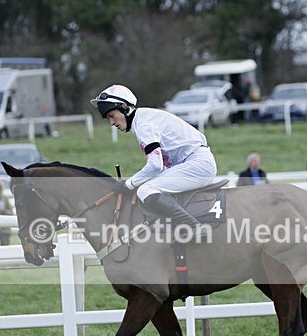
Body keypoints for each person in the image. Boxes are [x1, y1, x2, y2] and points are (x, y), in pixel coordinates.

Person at [90, 84, 217, 240]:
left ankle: (194, 226)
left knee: (145, 190)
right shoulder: (143, 119)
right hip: (193, 162)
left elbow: (156, 165)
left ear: (123, 106)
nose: (111, 123)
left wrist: (129, 184)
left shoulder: (144, 125)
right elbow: (160, 167)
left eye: (111, 115)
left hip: (197, 164)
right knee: (146, 185)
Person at [0, 180, 14, 246]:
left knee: (5, 245)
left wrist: (5, 212)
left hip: (4, 227)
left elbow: (10, 211)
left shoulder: (4, 198)